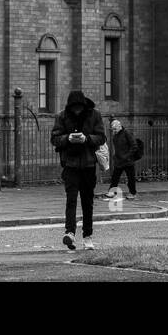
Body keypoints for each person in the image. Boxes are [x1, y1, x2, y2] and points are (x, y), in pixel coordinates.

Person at [51, 89, 106, 250]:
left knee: (87, 203)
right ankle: (70, 233)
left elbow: (102, 137)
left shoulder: (94, 115)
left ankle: (87, 236)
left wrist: (86, 138)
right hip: (70, 164)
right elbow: (54, 138)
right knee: (71, 200)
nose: (76, 110)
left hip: (89, 165)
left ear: (83, 105)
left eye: (79, 107)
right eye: (73, 108)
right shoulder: (62, 116)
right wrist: (67, 138)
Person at [104, 117, 138, 199]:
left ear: (119, 126)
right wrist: (115, 156)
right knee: (115, 177)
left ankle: (132, 193)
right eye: (112, 129)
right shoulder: (115, 135)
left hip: (128, 160)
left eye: (115, 129)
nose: (113, 131)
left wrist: (127, 156)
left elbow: (134, 146)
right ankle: (112, 192)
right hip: (119, 160)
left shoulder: (126, 133)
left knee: (131, 178)